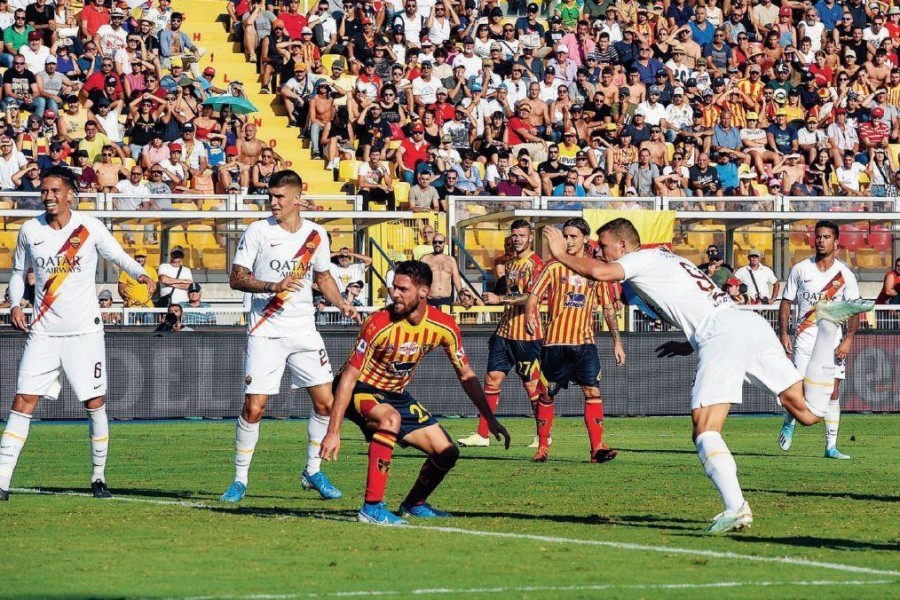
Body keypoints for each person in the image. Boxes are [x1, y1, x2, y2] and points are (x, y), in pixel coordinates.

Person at [542, 218, 871, 532]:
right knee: (809, 412)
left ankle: (735, 506)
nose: (600, 251)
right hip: (745, 324)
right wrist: (691, 342)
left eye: (605, 246)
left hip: (721, 333)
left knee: (704, 427)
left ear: (624, 245)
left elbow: (599, 272)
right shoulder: (667, 259)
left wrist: (559, 255)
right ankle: (827, 326)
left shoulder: (640, 260)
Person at [0, 165, 155, 501]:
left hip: (85, 333)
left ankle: (98, 477)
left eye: (55, 191)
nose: (48, 196)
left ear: (70, 194)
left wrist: (142, 275)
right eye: (44, 191)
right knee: (22, 401)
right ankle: (2, 481)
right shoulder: (30, 229)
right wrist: (15, 305)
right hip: (43, 332)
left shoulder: (89, 227)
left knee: (94, 402)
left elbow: (117, 255)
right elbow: (17, 273)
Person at [320, 260, 510, 526]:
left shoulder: (445, 326)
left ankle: (414, 503)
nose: (394, 293)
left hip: (395, 394)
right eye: (393, 287)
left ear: (424, 292)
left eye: (402, 289)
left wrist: (489, 418)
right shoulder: (377, 323)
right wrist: (334, 431)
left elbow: (466, 375)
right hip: (360, 389)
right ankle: (371, 507)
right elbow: (349, 377)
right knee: (389, 420)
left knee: (447, 453)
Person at [220, 169, 359, 504]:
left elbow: (323, 275)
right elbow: (236, 278)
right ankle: (239, 480)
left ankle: (312, 471)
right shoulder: (257, 231)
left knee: (326, 402)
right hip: (265, 329)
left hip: (303, 330)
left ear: (298, 197)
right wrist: (272, 286)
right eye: (270, 195)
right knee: (255, 407)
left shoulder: (316, 235)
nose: (273, 202)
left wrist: (341, 303)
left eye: (279, 196)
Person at [524, 217, 624, 463]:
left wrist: (617, 341)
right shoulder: (552, 266)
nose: (568, 241)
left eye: (573, 236)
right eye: (565, 236)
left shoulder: (595, 268)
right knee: (546, 394)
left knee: (592, 391)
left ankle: (596, 449)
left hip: (585, 344)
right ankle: (543, 447)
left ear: (584, 239)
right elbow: (534, 295)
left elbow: (608, 308)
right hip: (555, 343)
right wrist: (529, 313)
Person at [458, 220, 547, 449]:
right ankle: (483, 434)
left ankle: (543, 435)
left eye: (521, 235)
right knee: (491, 380)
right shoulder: (510, 265)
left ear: (530, 238)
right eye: (514, 235)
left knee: (532, 386)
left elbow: (531, 297)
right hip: (505, 332)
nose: (517, 239)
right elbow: (502, 296)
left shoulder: (536, 264)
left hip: (527, 334)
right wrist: (474, 300)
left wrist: (500, 299)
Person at [778, 221, 862, 461]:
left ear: (836, 243)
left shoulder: (845, 274)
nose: (821, 240)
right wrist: (784, 333)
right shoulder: (801, 269)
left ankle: (831, 446)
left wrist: (848, 339)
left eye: (826, 237)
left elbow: (854, 310)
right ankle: (789, 420)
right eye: (818, 236)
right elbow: (786, 302)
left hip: (832, 342)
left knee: (833, 392)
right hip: (804, 338)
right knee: (799, 389)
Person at [419, 233, 461, 308]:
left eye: (440, 242)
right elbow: (418, 279)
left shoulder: (451, 260)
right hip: (430, 300)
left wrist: (461, 294)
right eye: (435, 242)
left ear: (444, 243)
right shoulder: (425, 259)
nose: (437, 244)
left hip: (446, 300)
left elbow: (456, 280)